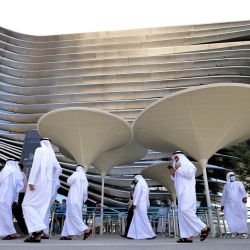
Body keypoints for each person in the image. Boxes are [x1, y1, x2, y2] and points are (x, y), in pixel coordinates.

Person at [22, 138, 62, 243]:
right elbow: (59, 169)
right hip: (47, 186)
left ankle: (38, 229)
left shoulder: (40, 150)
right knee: (39, 209)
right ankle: (36, 236)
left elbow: (36, 166)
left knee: (26, 204)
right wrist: (52, 179)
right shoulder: (52, 154)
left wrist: (31, 181)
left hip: (37, 184)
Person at [170, 151, 210, 243]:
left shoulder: (189, 165)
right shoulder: (178, 168)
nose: (176, 159)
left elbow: (189, 174)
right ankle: (188, 236)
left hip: (188, 193)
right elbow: (178, 180)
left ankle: (204, 227)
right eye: (174, 158)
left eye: (177, 157)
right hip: (181, 194)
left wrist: (179, 169)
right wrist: (173, 174)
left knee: (185, 210)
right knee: (182, 214)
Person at [60, 165, 92, 240]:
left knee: (73, 215)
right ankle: (67, 234)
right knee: (70, 215)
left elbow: (68, 181)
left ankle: (86, 229)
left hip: (73, 198)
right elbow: (85, 191)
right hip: (79, 200)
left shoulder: (76, 174)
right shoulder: (84, 177)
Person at [0, 159, 24, 240]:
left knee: (5, 214)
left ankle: (11, 232)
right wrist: (15, 200)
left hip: (3, 196)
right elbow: (19, 187)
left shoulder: (5, 171)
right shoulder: (17, 172)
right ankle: (8, 232)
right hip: (11, 197)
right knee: (7, 214)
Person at [127, 175, 156, 240]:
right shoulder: (145, 184)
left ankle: (151, 234)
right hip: (143, 204)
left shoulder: (139, 184)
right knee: (135, 219)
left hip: (139, 205)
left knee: (144, 219)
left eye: (135, 179)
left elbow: (137, 194)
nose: (135, 180)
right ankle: (131, 234)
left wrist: (134, 203)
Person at [221, 172, 248, 239]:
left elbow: (243, 191)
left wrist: (244, 197)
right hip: (228, 205)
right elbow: (224, 195)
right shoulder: (226, 185)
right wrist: (222, 204)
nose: (233, 177)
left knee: (241, 217)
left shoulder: (239, 183)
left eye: (233, 175)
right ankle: (234, 232)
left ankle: (244, 233)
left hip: (238, 204)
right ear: (228, 177)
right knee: (230, 218)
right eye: (231, 176)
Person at [41, 173, 61, 239]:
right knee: (45, 216)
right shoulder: (57, 180)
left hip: (45, 199)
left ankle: (42, 232)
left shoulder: (50, 179)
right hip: (49, 200)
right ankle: (45, 233)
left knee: (42, 215)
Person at [12, 163, 28, 235]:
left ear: (21, 168)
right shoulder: (21, 174)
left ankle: (24, 231)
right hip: (19, 195)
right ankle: (23, 231)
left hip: (20, 195)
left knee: (18, 214)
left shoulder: (21, 175)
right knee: (17, 214)